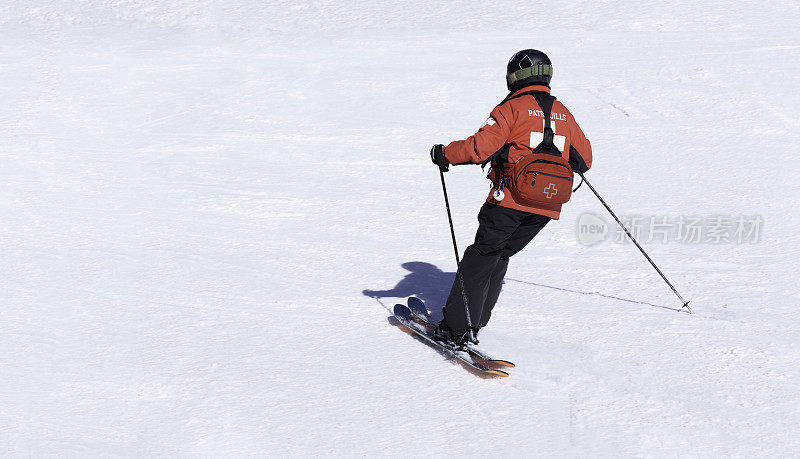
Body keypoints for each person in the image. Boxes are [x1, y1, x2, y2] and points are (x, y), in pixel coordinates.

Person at [429, 49, 593, 346]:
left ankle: (455, 329)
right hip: (547, 205)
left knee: (481, 256)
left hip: (510, 199)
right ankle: (474, 323)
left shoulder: (512, 108)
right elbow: (585, 159)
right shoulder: (564, 112)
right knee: (500, 255)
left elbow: (480, 147)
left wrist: (444, 153)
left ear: (515, 76)